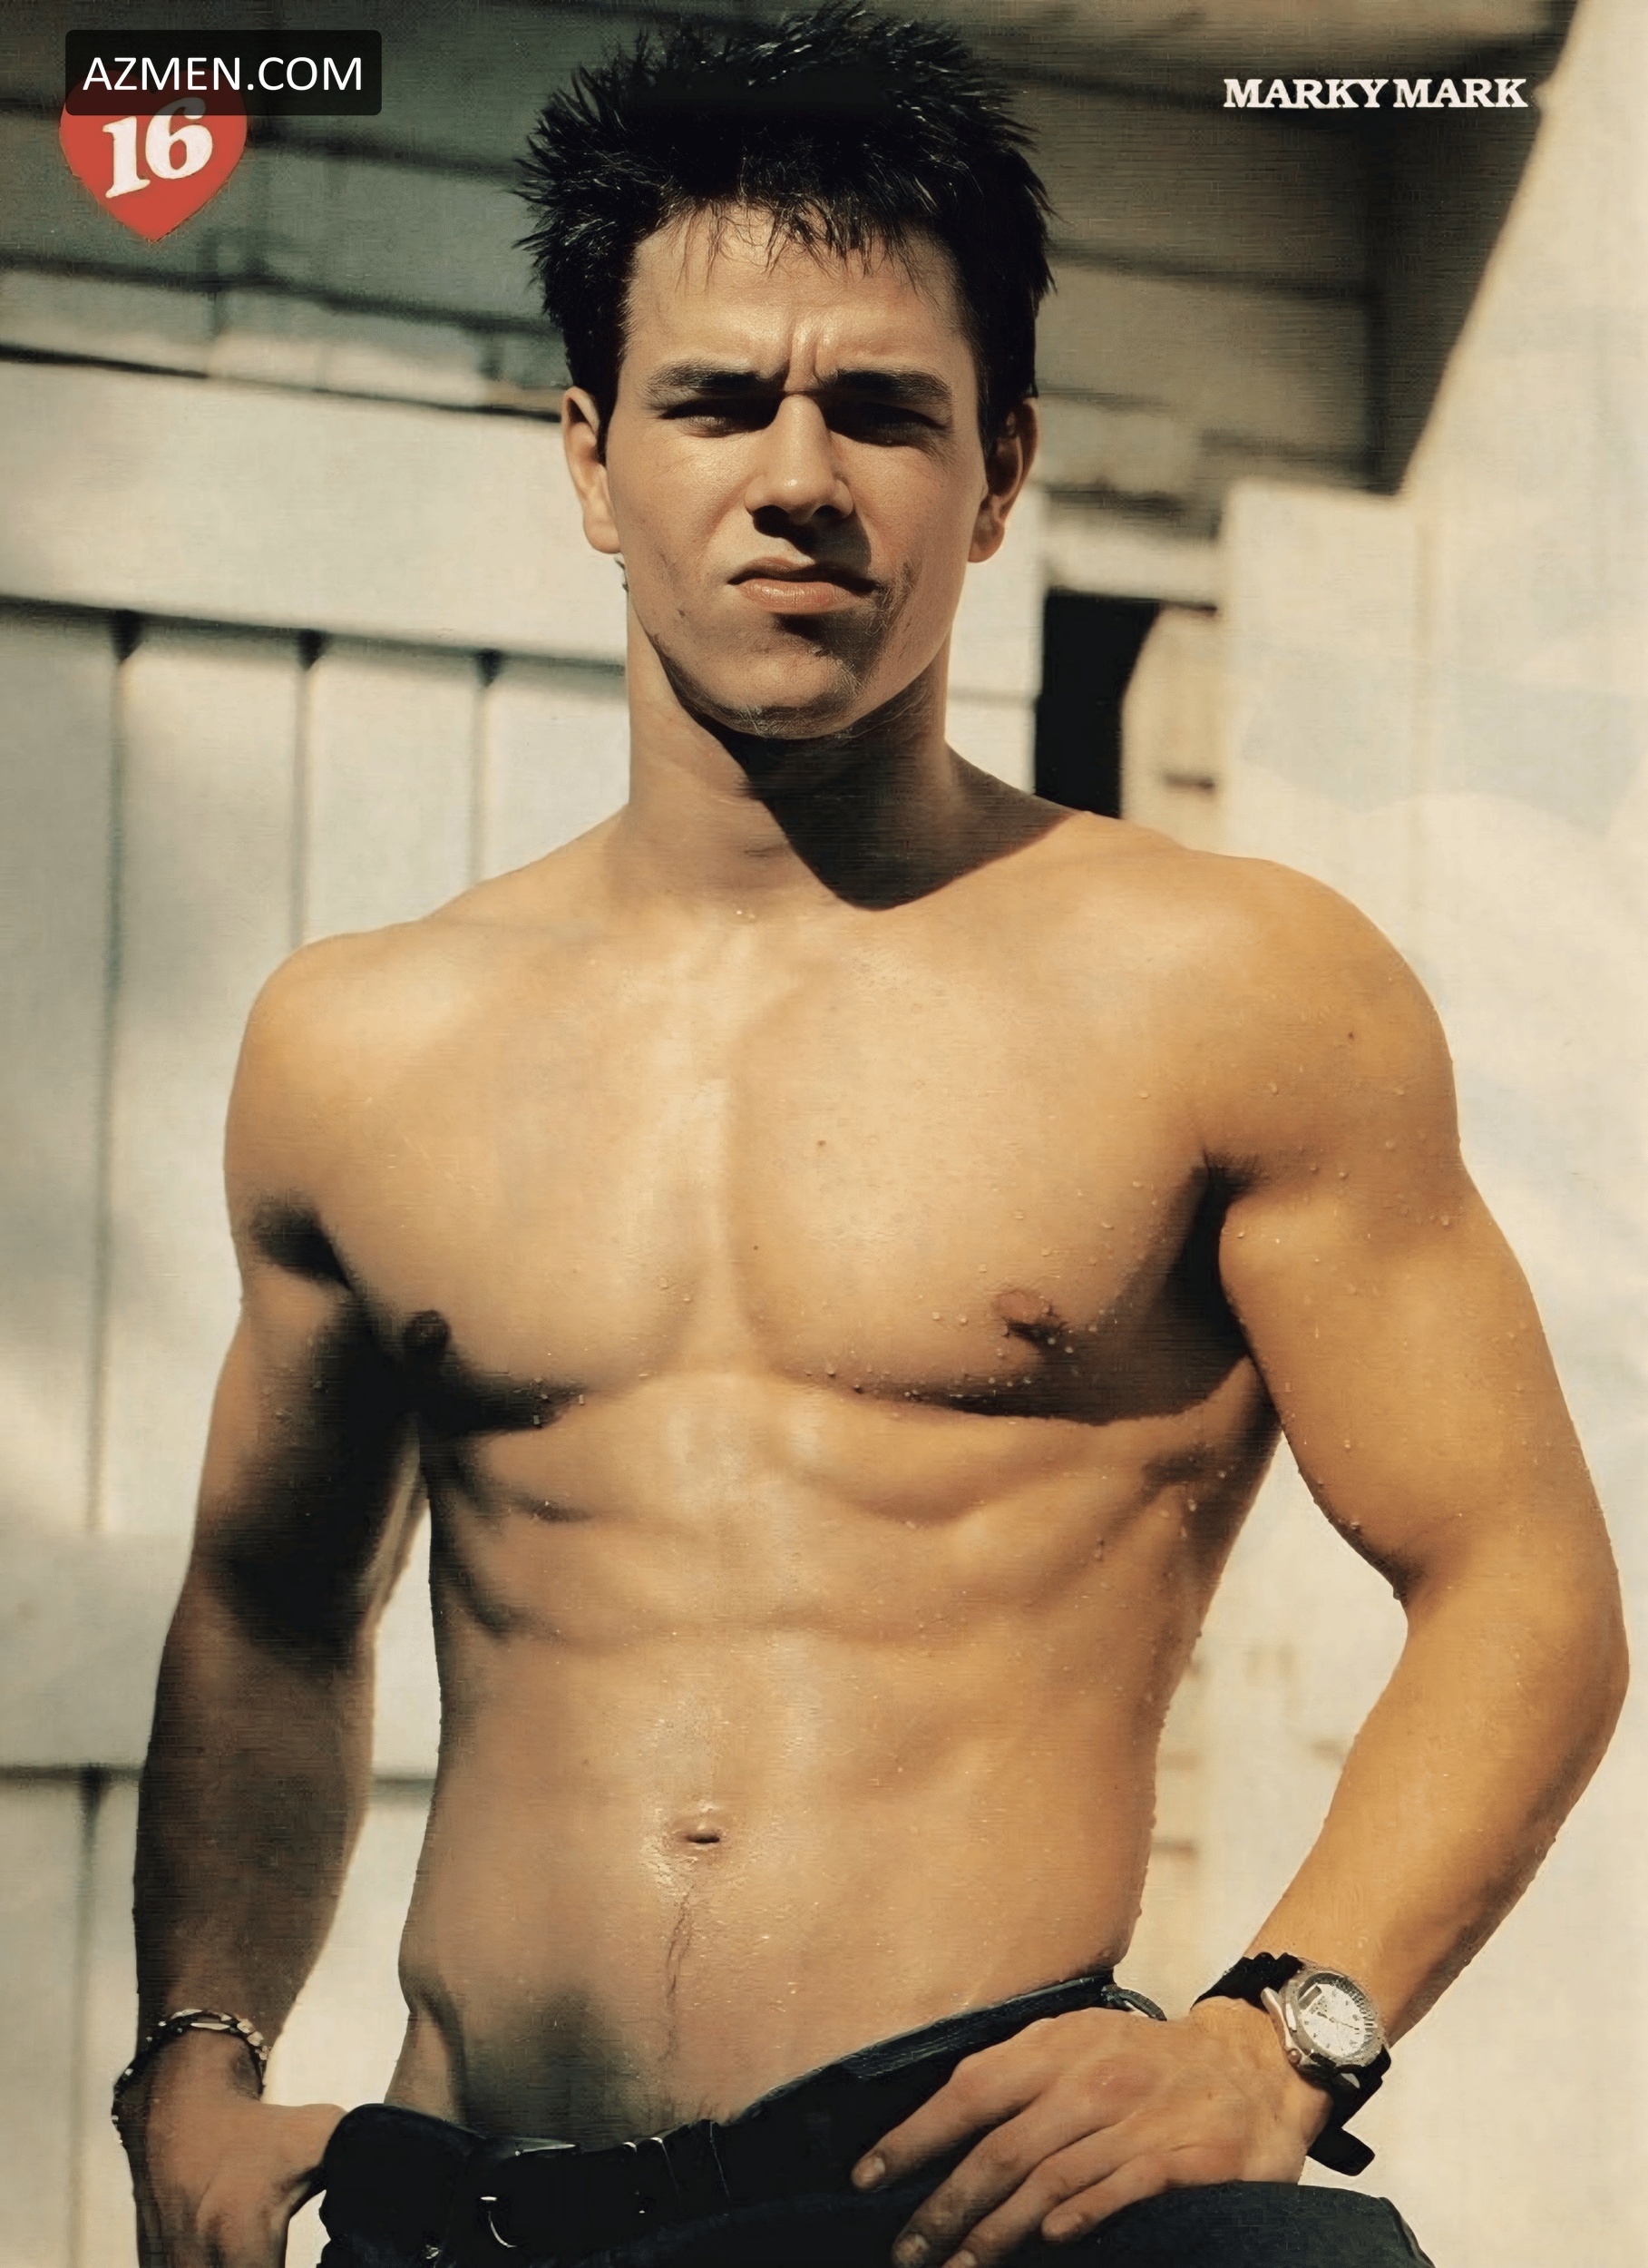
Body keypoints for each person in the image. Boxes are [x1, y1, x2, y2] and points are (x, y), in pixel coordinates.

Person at [114, 7, 1626, 2266]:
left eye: (887, 411)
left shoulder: (1230, 988)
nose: (799, 475)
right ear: (590, 456)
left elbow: (1522, 1578)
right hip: (471, 2202)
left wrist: (1275, 2037)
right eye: (718, 400)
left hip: (980, 2201)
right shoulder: (366, 1039)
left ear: (999, 472)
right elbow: (266, 1600)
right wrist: (193, 2056)